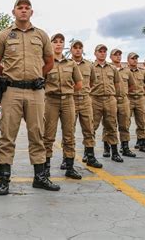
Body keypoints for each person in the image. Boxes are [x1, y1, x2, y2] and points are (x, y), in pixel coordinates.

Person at [0, 0, 60, 195]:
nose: (23, 10)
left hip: (35, 91)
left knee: (37, 134)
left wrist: (39, 75)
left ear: (32, 12)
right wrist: (5, 75)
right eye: (19, 8)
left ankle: (39, 177)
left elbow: (49, 61)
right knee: (7, 135)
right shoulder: (4, 35)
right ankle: (4, 179)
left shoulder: (41, 35)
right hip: (11, 91)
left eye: (27, 8)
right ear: (13, 12)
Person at [43, 33, 83, 180]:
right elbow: (40, 81)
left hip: (68, 101)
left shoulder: (71, 64)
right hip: (51, 101)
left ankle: (70, 166)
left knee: (69, 135)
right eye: (55, 42)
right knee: (48, 135)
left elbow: (79, 84)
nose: (58, 44)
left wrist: (67, 91)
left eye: (61, 42)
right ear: (50, 44)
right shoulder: (46, 62)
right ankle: (45, 168)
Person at [69, 40, 102, 168]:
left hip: (86, 100)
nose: (77, 50)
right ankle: (68, 158)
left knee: (89, 128)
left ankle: (90, 156)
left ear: (83, 50)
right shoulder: (66, 64)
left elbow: (93, 82)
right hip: (70, 100)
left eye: (80, 47)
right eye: (75, 47)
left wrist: (85, 91)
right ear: (71, 50)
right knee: (69, 130)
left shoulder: (89, 65)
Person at [90, 44, 123, 162]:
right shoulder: (90, 67)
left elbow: (117, 84)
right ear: (95, 53)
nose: (102, 53)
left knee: (111, 125)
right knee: (91, 127)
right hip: (95, 100)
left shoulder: (112, 68)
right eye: (100, 51)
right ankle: (89, 153)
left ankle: (114, 152)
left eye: (104, 51)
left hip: (110, 99)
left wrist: (115, 97)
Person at [107, 48, 136, 157]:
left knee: (124, 125)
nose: (118, 56)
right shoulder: (108, 68)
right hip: (111, 100)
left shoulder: (127, 71)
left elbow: (132, 85)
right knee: (110, 125)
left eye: (120, 54)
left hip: (123, 100)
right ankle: (108, 147)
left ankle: (125, 148)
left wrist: (124, 92)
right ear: (111, 57)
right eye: (115, 55)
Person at [127, 52, 145, 152]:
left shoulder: (142, 72)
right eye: (132, 58)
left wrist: (141, 89)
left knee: (141, 122)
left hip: (140, 99)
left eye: (136, 58)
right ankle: (125, 145)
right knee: (125, 123)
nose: (135, 60)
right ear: (128, 60)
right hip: (128, 99)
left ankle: (142, 143)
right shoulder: (124, 71)